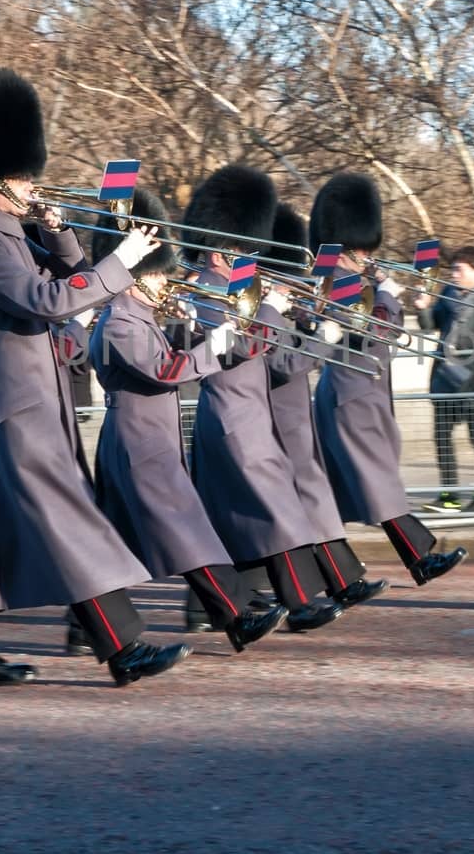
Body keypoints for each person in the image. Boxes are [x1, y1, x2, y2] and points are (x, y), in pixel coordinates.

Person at [0, 67, 189, 687]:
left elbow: (69, 272)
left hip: (22, 400)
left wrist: (57, 228)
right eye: (24, 176)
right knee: (67, 515)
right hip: (18, 404)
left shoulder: (12, 234)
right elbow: (49, 300)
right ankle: (122, 645)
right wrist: (124, 262)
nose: (33, 183)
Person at [88, 188, 289, 653]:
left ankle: (87, 626)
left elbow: (171, 355)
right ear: (136, 279)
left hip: (149, 441)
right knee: (185, 533)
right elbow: (167, 371)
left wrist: (190, 326)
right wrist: (214, 345)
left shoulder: (140, 317)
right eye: (158, 277)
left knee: (117, 542)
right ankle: (235, 615)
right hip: (140, 444)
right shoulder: (121, 322)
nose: (165, 284)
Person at [182, 166, 345, 632]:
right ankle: (300, 604)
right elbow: (239, 348)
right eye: (235, 249)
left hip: (244, 415)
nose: (242, 257)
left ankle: (209, 607)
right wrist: (272, 305)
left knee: (230, 519)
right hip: (235, 415)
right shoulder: (208, 290)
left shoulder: (224, 286)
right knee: (280, 510)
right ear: (217, 251)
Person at [310, 172, 468, 585]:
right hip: (352, 396)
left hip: (362, 393)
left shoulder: (351, 277)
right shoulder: (338, 281)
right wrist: (387, 296)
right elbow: (374, 332)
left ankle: (330, 575)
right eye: (360, 247)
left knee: (343, 490)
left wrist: (384, 287)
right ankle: (419, 559)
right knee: (375, 481)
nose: (367, 254)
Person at [256, 205, 389, 610]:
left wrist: (311, 322)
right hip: (278, 416)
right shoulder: (263, 306)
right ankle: (302, 597)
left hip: (295, 414)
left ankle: (341, 580)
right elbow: (286, 363)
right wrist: (325, 334)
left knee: (312, 499)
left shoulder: (281, 302)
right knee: (298, 503)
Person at [415, 244, 474, 514]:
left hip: (473, 384)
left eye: (459, 270)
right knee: (442, 438)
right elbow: (428, 325)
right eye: (453, 269)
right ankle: (449, 497)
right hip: (443, 379)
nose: (453, 275)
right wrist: (423, 308)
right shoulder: (446, 294)